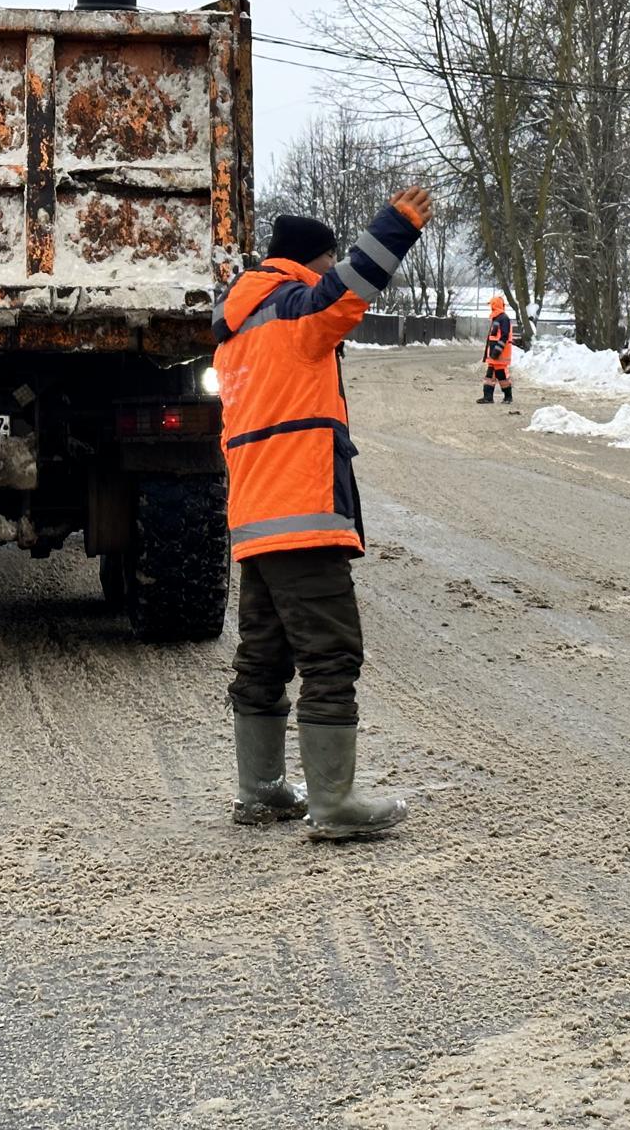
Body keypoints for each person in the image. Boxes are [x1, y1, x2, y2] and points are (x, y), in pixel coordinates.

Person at [211, 188, 432, 841]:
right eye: (326, 262)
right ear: (313, 261)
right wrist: (397, 225)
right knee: (332, 656)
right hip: (303, 513)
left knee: (265, 656)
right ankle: (333, 802)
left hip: (256, 520)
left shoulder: (237, 329)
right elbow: (351, 286)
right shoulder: (298, 312)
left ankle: (261, 792)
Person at [480, 294, 514, 403]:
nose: (491, 307)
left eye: (492, 305)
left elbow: (504, 336)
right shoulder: (498, 318)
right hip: (496, 354)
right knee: (490, 375)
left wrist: (496, 352)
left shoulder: (503, 318)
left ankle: (508, 397)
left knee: (501, 375)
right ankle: (488, 397)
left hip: (500, 354)